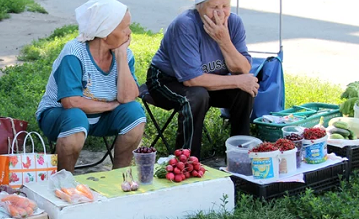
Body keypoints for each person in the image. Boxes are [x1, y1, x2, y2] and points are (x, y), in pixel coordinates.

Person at [35, 0, 146, 173]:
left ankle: (119, 176)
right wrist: (110, 105)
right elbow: (71, 102)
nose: (129, 33)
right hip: (59, 116)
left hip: (101, 118)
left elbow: (127, 98)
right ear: (105, 32)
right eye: (124, 28)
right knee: (76, 118)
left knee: (135, 113)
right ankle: (64, 180)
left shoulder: (124, 53)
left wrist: (122, 57)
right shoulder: (74, 52)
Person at [146, 0, 259, 158]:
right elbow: (192, 80)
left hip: (207, 80)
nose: (220, 13)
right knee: (197, 95)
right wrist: (238, 80)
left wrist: (224, 41)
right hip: (166, 80)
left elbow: (243, 69)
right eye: (214, 7)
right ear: (199, 7)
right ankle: (187, 161)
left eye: (225, 6)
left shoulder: (234, 22)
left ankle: (240, 155)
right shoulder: (185, 24)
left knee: (243, 90)